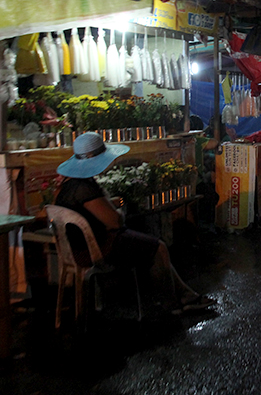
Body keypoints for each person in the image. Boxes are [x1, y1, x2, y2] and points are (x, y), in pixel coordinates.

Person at [54, 132, 216, 314]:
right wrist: (116, 209)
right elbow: (115, 221)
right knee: (159, 248)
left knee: (153, 246)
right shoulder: (84, 189)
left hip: (79, 249)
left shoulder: (69, 186)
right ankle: (172, 304)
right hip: (97, 249)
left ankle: (185, 294)